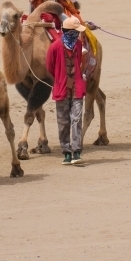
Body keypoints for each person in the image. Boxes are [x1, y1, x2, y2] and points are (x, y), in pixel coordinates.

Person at [46, 16, 87, 166]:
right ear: (68, 31)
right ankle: (66, 152)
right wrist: (60, 79)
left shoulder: (78, 44)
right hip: (62, 89)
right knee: (63, 122)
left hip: (77, 89)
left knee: (76, 120)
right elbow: (50, 66)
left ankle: (77, 151)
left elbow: (80, 63)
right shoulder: (55, 47)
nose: (77, 35)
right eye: (75, 32)